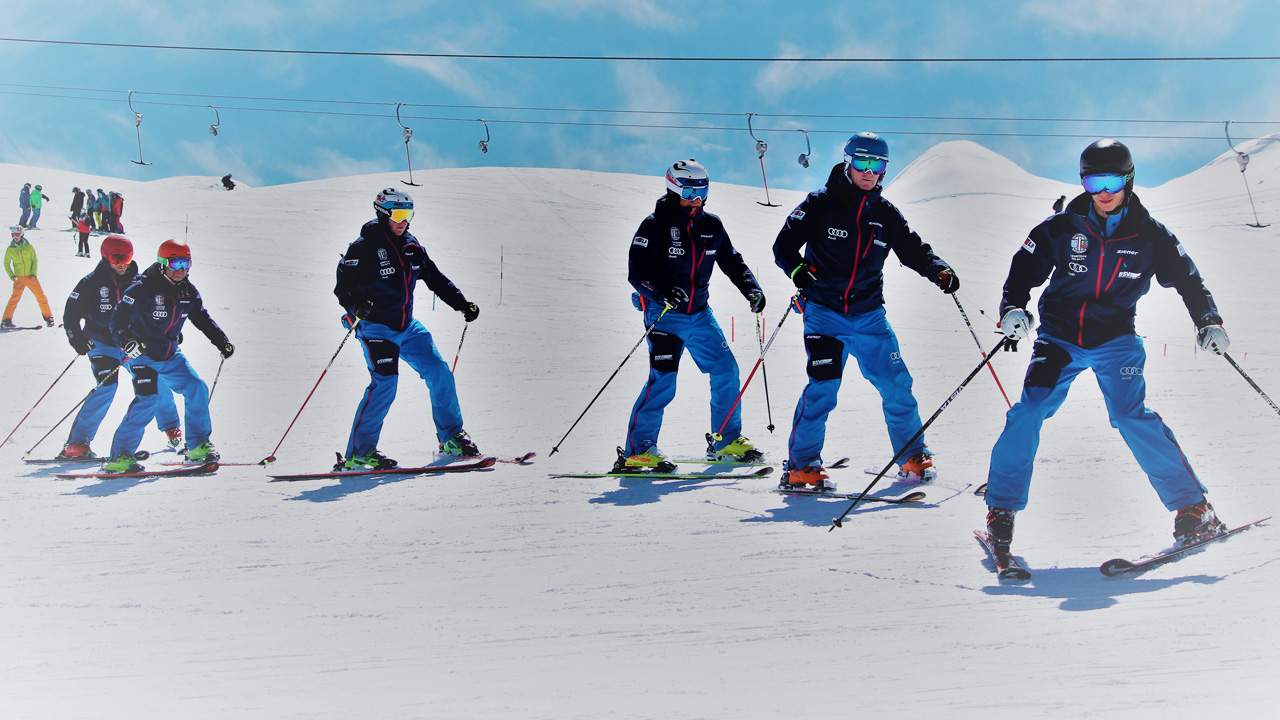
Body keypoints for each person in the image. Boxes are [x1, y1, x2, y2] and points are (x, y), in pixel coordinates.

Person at [984, 138, 1230, 560]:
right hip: (1059, 338)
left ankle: (1194, 508)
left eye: (1112, 181)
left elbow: (1189, 279)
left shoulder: (1151, 236)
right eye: (1094, 181)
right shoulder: (1061, 228)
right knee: (1028, 411)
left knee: (1130, 416)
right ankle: (1000, 511)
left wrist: (1208, 320)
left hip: (1116, 340)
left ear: (1128, 180)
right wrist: (1012, 309)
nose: (1103, 192)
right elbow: (1022, 270)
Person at [772, 132, 959, 489]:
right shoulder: (820, 203)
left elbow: (913, 249)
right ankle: (801, 466)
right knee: (823, 388)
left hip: (870, 316)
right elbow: (783, 246)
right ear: (847, 162)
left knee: (896, 385)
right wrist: (798, 273)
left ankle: (911, 456)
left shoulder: (885, 213)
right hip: (824, 314)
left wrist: (939, 269)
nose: (869, 172)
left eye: (878, 165)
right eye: (862, 163)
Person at [616, 159, 766, 473]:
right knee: (664, 381)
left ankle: (726, 441)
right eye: (688, 191)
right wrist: (660, 294)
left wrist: (752, 289)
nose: (696, 199)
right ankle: (639, 450)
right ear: (673, 189)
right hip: (665, 314)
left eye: (702, 191)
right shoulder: (654, 224)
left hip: (700, 315)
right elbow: (636, 273)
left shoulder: (712, 225)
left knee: (726, 370)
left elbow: (733, 263)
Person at [333, 188, 481, 470]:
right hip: (376, 328)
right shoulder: (363, 247)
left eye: (408, 215)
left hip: (407, 326)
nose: (404, 221)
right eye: (399, 215)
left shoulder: (412, 246)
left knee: (439, 372)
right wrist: (355, 307)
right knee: (385, 384)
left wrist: (462, 303)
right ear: (384, 213)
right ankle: (359, 454)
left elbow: (435, 278)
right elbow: (342, 287)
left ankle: (451, 437)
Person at [102, 239, 233, 473]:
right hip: (142, 355)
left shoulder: (188, 292)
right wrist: (126, 340)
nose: (181, 270)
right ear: (162, 264)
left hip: (170, 354)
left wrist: (221, 341)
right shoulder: (142, 287)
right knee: (148, 400)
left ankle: (197, 445)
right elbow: (118, 319)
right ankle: (120, 456)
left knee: (197, 388)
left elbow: (202, 319)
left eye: (186, 264)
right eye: (175, 263)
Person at [58, 235, 184, 460]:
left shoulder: (140, 282)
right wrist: (76, 338)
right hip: (102, 345)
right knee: (107, 386)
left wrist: (170, 330)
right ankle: (77, 443)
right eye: (117, 257)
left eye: (128, 257)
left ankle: (170, 426)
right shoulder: (90, 283)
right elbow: (70, 314)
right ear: (106, 256)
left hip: (130, 345)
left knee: (155, 379)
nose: (123, 262)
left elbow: (159, 310)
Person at [3, 225, 54, 327]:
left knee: (41, 297)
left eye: (17, 234)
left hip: (31, 277)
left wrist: (33, 273)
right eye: (13, 235)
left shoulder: (29, 247)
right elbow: (6, 263)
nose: (15, 237)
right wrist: (12, 276)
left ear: (22, 234)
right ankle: (6, 320)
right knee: (14, 299)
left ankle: (49, 317)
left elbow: (34, 260)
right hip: (19, 278)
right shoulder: (10, 249)